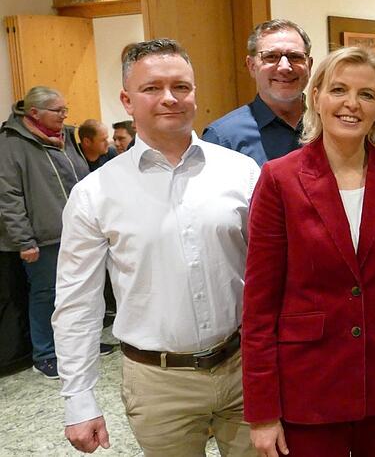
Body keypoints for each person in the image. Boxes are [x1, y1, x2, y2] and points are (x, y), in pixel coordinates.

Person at [52, 38, 260, 455]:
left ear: (195, 94)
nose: (170, 98)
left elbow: (272, 273)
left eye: (181, 86)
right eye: (152, 88)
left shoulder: (241, 172)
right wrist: (79, 399)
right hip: (159, 384)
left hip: (245, 370)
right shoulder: (96, 193)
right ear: (127, 100)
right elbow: (77, 302)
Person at [242, 46, 375, 457]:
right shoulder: (279, 179)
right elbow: (259, 305)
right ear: (316, 96)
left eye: (367, 94)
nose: (351, 104)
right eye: (338, 89)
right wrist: (263, 411)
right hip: (309, 385)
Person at [0, 86, 89, 379]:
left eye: (65, 110)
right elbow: (8, 197)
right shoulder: (11, 143)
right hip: (43, 237)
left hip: (78, 232)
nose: (64, 116)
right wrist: (23, 240)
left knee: (80, 292)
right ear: (34, 113)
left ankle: (78, 346)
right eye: (58, 111)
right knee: (47, 295)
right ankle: (45, 353)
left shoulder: (66, 138)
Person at [203, 19, 313, 165]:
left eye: (295, 56)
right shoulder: (222, 138)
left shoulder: (329, 126)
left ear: (309, 65)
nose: (284, 67)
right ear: (252, 66)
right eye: (271, 56)